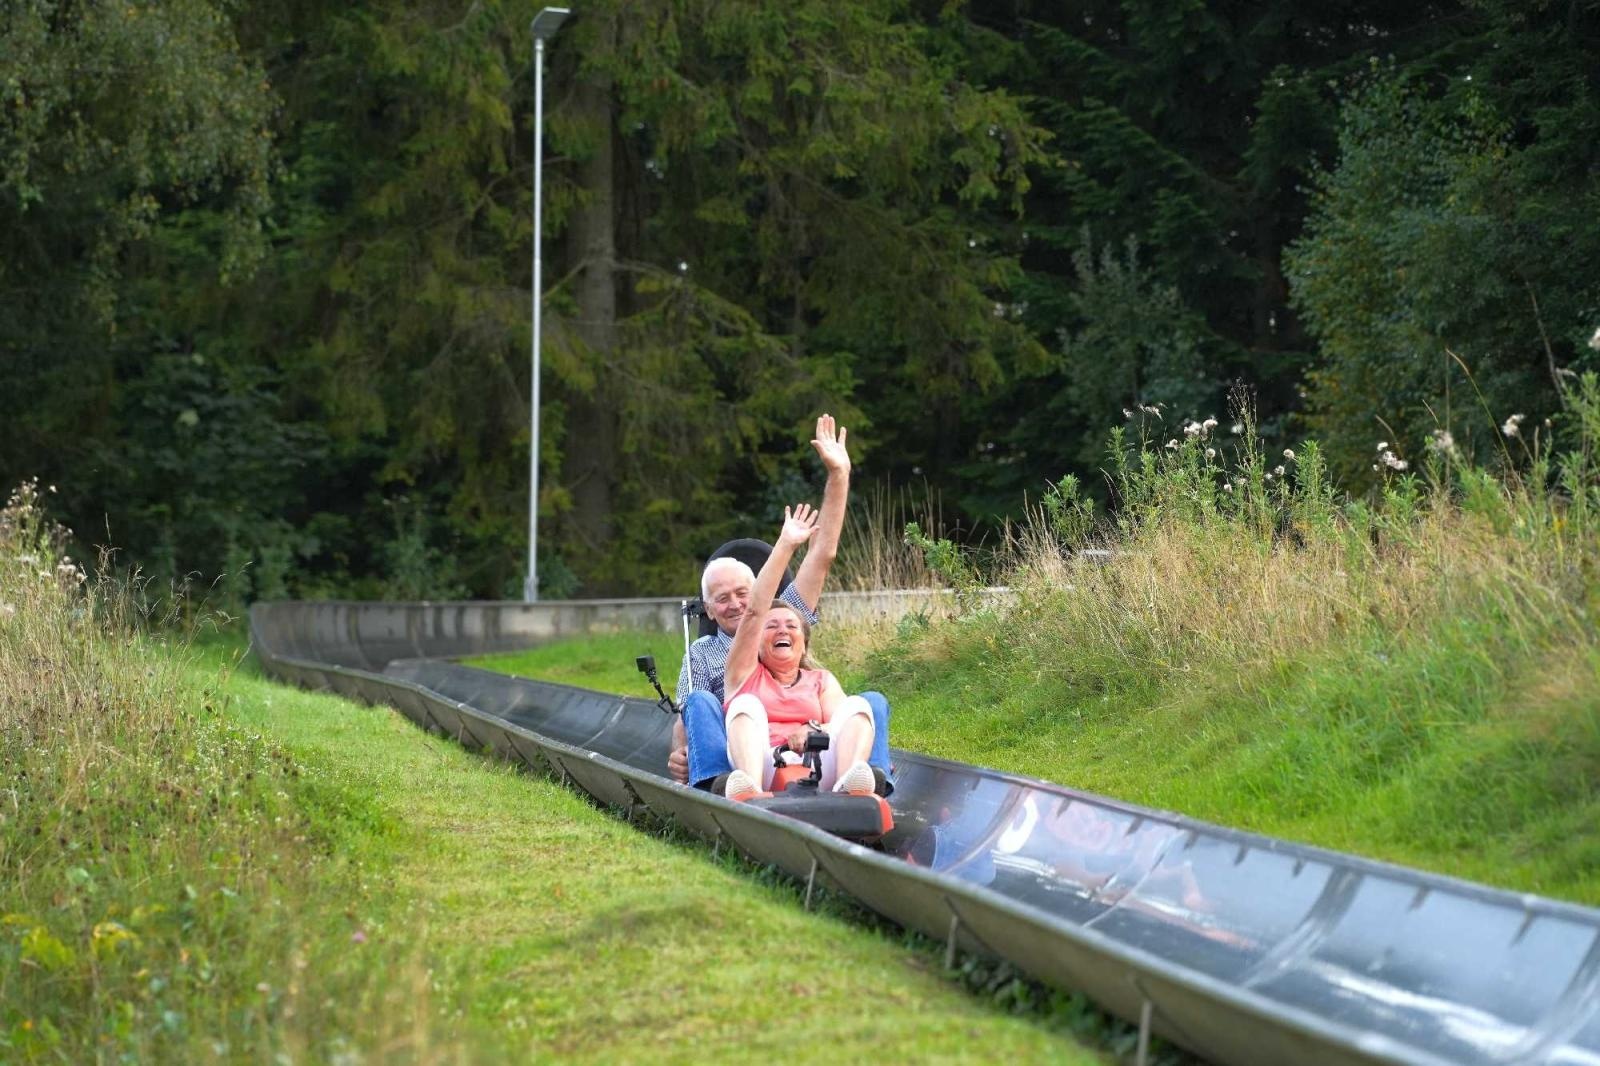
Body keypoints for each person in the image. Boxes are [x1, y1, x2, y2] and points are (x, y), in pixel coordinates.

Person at [667, 414, 893, 793]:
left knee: (868, 703)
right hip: (741, 745)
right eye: (722, 599)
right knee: (709, 701)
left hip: (808, 750)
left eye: (743, 593)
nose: (738, 606)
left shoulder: (784, 617)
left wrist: (839, 476)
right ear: (708, 609)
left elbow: (822, 555)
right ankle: (720, 783)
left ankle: (865, 779)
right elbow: (687, 717)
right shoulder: (710, 655)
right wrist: (680, 753)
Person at [717, 502, 877, 799]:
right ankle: (749, 790)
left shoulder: (820, 680)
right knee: (745, 706)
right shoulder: (744, 674)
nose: (782, 630)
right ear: (757, 643)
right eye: (772, 626)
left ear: (803, 640)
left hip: (817, 763)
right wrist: (786, 545)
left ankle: (849, 784)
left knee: (858, 706)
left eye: (791, 626)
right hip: (764, 761)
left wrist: (812, 728)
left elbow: (839, 720)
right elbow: (754, 612)